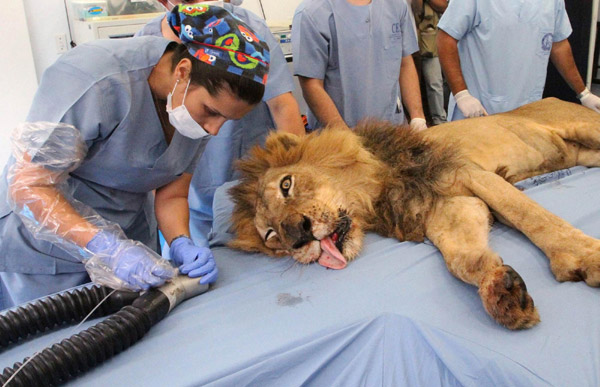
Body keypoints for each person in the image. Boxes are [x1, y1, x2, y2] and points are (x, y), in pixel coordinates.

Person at [0, 5, 270, 310]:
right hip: (47, 253)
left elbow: (173, 193)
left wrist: (181, 241)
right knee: (54, 349)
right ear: (182, 71)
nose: (214, 129)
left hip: (130, 245)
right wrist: (107, 249)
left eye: (225, 120)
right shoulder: (95, 79)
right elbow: (29, 185)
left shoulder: (192, 111)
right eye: (211, 112)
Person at [138, 0, 305, 246]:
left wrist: (298, 179)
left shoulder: (249, 29)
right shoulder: (145, 45)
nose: (213, 130)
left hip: (252, 186)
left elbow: (282, 105)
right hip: (184, 196)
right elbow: (144, 141)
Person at [437, 0, 600, 121]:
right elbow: (446, 38)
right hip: (479, 111)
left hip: (527, 113)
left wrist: (583, 93)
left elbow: (559, 45)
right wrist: (462, 95)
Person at [291, 0, 427, 132]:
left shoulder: (396, 5)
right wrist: (346, 138)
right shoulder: (312, 13)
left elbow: (405, 63)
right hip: (339, 139)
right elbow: (311, 85)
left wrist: (417, 117)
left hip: (392, 131)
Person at [412, 0, 447, 125]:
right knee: (434, 83)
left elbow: (444, 6)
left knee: (446, 83)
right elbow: (417, 10)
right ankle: (439, 121)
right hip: (428, 37)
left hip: (447, 35)